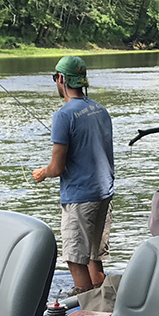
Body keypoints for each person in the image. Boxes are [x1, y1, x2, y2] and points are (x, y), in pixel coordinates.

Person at [33, 55, 114, 296]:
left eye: (55, 78)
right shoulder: (100, 110)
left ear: (61, 79)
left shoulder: (63, 116)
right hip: (104, 193)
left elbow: (57, 168)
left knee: (75, 260)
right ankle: (105, 306)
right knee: (94, 258)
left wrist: (42, 173)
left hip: (80, 197)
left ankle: (85, 312)